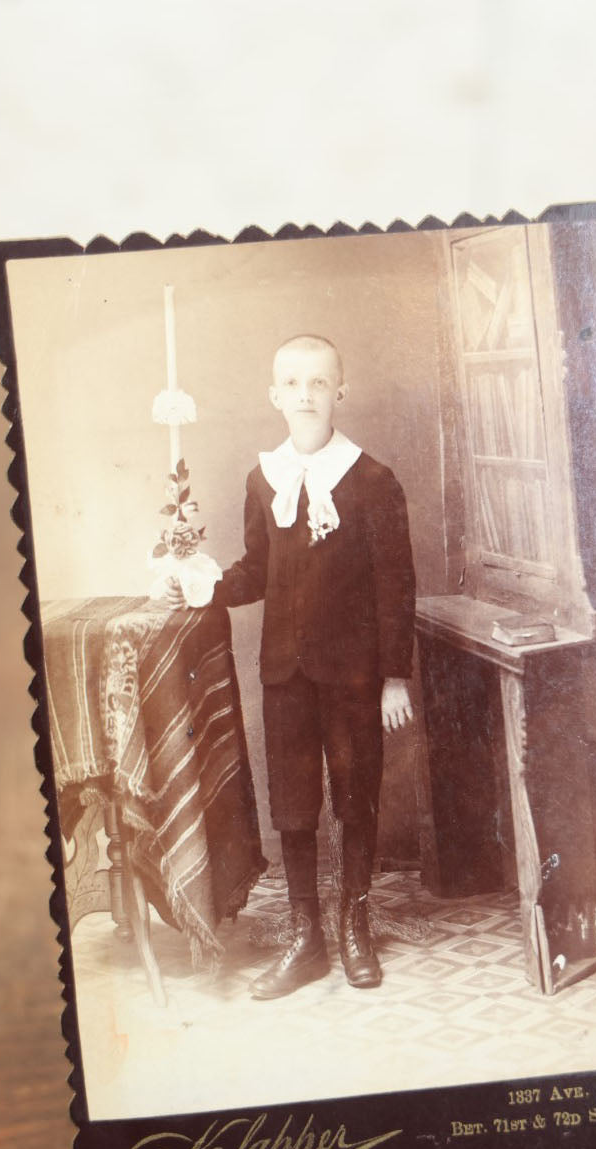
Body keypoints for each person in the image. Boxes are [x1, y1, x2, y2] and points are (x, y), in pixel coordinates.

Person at [167, 334, 416, 998]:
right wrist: (201, 583)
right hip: (285, 675)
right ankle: (306, 937)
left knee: (355, 795)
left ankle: (354, 922)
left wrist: (394, 676)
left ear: (341, 390)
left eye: (318, 382)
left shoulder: (372, 480)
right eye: (292, 383)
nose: (305, 395)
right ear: (274, 395)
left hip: (357, 676)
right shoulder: (264, 478)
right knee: (295, 806)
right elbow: (256, 571)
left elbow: (396, 585)